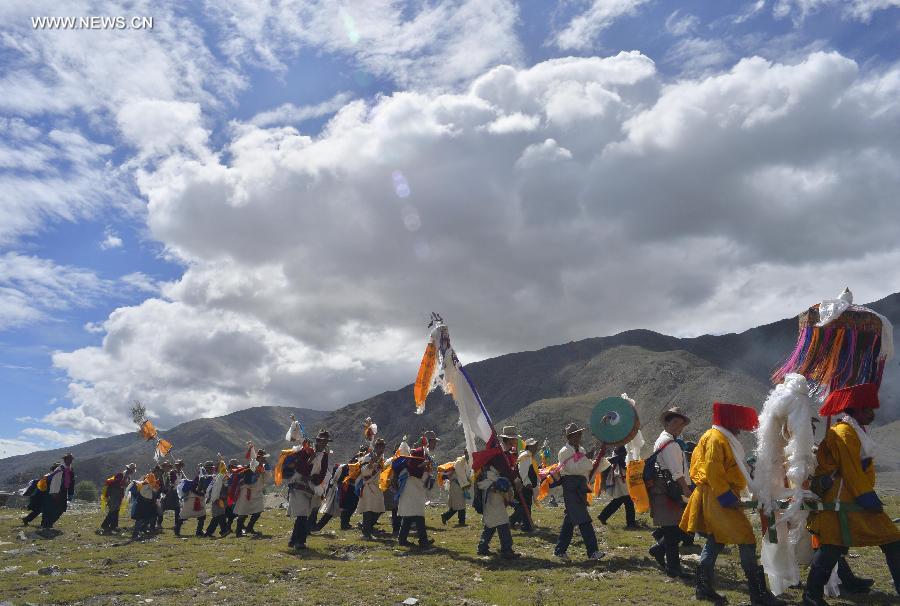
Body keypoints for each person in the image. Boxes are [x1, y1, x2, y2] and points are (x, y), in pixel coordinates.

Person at [803, 384, 900, 605]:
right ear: (856, 410)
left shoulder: (854, 431)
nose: (873, 414)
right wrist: (867, 498)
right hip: (844, 499)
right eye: (868, 410)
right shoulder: (845, 432)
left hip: (851, 497)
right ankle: (811, 596)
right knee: (833, 547)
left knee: (834, 547)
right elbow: (851, 469)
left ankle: (812, 596)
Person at [680, 402, 784, 606]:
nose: (740, 428)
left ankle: (703, 588)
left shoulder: (719, 437)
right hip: (718, 496)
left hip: (715, 494)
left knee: (715, 540)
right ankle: (758, 593)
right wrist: (727, 497)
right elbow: (713, 469)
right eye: (738, 423)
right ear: (730, 422)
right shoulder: (716, 438)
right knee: (746, 537)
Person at [648, 407, 693, 580]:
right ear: (666, 422)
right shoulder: (671, 443)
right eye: (675, 423)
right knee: (674, 530)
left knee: (672, 529)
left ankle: (659, 551)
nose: (678, 427)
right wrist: (685, 489)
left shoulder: (663, 439)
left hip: (663, 488)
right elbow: (676, 471)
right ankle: (673, 569)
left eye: (681, 424)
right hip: (670, 489)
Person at [553, 423, 605, 562]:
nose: (578, 437)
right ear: (569, 437)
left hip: (579, 486)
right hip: (570, 486)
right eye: (575, 435)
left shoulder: (580, 449)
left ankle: (560, 550)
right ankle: (592, 551)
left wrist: (588, 461)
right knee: (584, 519)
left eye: (579, 434)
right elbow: (573, 469)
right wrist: (586, 459)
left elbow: (583, 467)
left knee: (570, 520)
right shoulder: (564, 451)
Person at [285, 429, 331, 549]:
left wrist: (314, 479)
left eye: (325, 441)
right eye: (321, 440)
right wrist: (309, 460)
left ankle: (294, 540)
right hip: (299, 485)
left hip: (311, 487)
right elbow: (299, 468)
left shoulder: (324, 456)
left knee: (305, 515)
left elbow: (322, 472)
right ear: (317, 441)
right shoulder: (305, 451)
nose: (323, 443)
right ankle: (300, 541)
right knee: (302, 515)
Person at [476, 455, 520, 559]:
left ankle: (482, 547)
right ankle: (506, 549)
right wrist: (494, 486)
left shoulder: (495, 473)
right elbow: (481, 485)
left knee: (491, 525)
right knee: (503, 524)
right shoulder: (488, 473)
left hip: (496, 503)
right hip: (491, 502)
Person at [397, 446, 434, 548]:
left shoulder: (409, 468)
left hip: (409, 496)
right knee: (418, 517)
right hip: (414, 496)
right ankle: (423, 540)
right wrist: (427, 472)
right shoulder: (416, 469)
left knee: (407, 518)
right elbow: (421, 481)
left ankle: (402, 540)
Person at [232, 444, 271, 537]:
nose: (265, 459)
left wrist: (265, 469)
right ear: (259, 457)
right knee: (242, 511)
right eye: (263, 457)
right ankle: (238, 532)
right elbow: (250, 480)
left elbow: (267, 480)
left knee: (259, 510)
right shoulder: (251, 465)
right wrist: (257, 472)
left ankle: (249, 527)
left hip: (257, 491)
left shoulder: (263, 467)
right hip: (247, 491)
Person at [597, 445, 637, 530]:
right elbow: (623, 464)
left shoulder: (618, 450)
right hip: (620, 479)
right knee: (628, 501)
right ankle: (631, 523)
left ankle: (603, 516)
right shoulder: (620, 451)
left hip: (620, 479)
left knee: (619, 500)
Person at [39, 453, 75, 534]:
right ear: (65, 459)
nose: (70, 460)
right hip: (57, 492)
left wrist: (70, 493)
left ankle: (48, 524)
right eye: (68, 459)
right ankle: (47, 525)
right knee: (56, 509)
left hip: (63, 492)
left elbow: (71, 482)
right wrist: (54, 492)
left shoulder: (69, 469)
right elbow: (55, 481)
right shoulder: (60, 469)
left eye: (71, 459)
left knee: (60, 509)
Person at [358, 438, 387, 539]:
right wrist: (370, 465)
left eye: (383, 447)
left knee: (379, 509)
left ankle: (367, 528)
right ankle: (366, 533)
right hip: (368, 486)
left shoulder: (381, 458)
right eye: (379, 446)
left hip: (377, 486)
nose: (381, 449)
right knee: (368, 509)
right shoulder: (368, 457)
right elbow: (363, 471)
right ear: (376, 447)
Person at [175, 461, 213, 537]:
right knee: (184, 515)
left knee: (202, 515)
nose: (211, 469)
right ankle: (177, 531)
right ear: (206, 468)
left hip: (199, 498)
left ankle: (199, 531)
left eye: (211, 468)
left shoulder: (207, 476)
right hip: (192, 498)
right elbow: (197, 488)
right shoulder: (202, 476)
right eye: (210, 468)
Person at [509, 439, 538, 531]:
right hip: (524, 485)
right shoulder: (526, 456)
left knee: (525, 505)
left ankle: (525, 525)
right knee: (524, 506)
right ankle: (514, 521)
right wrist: (527, 482)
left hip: (525, 485)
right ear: (529, 446)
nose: (535, 448)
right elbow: (523, 471)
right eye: (533, 446)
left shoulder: (528, 455)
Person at [99, 464, 134, 533]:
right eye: (132, 470)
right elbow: (117, 484)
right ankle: (110, 526)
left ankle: (110, 525)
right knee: (114, 510)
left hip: (119, 494)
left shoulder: (127, 476)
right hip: (115, 493)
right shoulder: (121, 475)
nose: (132, 472)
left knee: (115, 510)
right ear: (129, 470)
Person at [440, 449, 471, 527]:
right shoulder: (460, 462)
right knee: (459, 504)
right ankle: (459, 520)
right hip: (456, 485)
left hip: (460, 485)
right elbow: (461, 475)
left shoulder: (465, 461)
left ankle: (453, 518)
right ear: (466, 453)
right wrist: (466, 483)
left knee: (460, 504)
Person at [204, 457, 230, 537]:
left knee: (219, 515)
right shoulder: (218, 477)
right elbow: (212, 488)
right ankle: (220, 531)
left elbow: (225, 485)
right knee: (218, 515)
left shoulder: (220, 476)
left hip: (220, 498)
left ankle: (222, 530)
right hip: (217, 498)